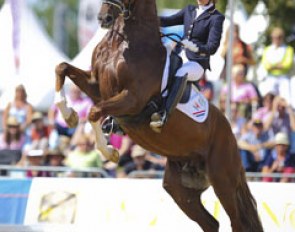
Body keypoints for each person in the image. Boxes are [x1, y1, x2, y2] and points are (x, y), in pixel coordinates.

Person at [150, 0, 225, 132]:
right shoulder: (189, 10)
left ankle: (163, 115)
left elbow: (212, 47)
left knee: (181, 72)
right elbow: (168, 21)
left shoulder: (216, 17)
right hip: (180, 55)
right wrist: (147, 17)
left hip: (197, 63)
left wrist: (197, 48)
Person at [259, 27, 294, 105]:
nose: (276, 40)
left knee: (286, 99)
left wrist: (273, 66)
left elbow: (287, 65)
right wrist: (278, 65)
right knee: (268, 98)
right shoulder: (267, 49)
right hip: (270, 77)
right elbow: (266, 65)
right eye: (274, 38)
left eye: (278, 38)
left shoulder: (288, 49)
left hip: (283, 77)